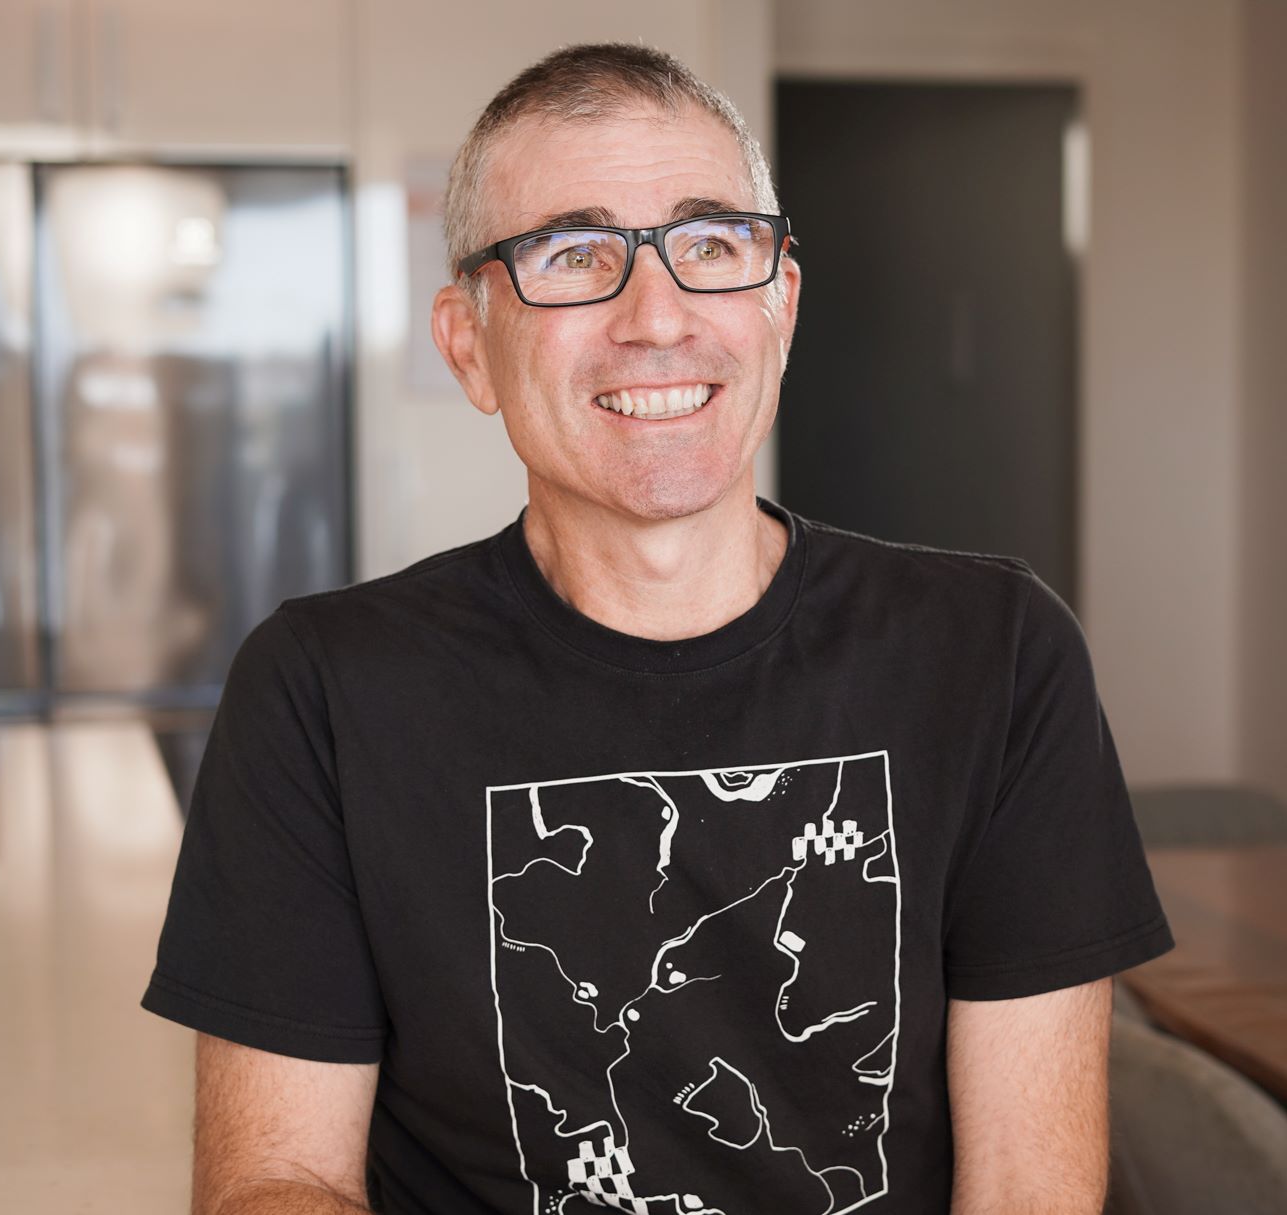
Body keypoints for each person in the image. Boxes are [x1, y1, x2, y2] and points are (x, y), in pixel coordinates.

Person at [142, 41, 1172, 1215]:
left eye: (710, 244)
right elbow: (277, 1180)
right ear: (469, 345)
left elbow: (1030, 1190)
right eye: (574, 255)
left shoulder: (994, 654)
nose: (657, 316)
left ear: (780, 300)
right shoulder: (322, 691)